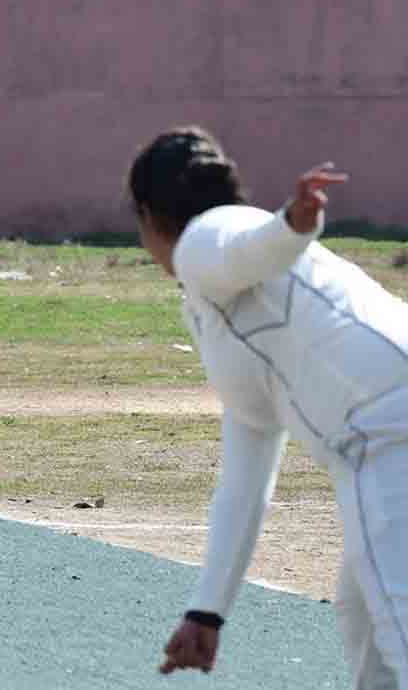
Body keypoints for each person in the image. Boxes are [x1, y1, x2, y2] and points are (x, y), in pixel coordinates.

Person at [128, 126, 408, 688]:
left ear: (149, 216)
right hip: (386, 428)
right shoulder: (230, 318)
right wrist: (207, 611)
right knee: (363, 613)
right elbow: (244, 479)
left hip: (387, 430)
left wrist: (291, 225)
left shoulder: (209, 236)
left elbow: (243, 249)